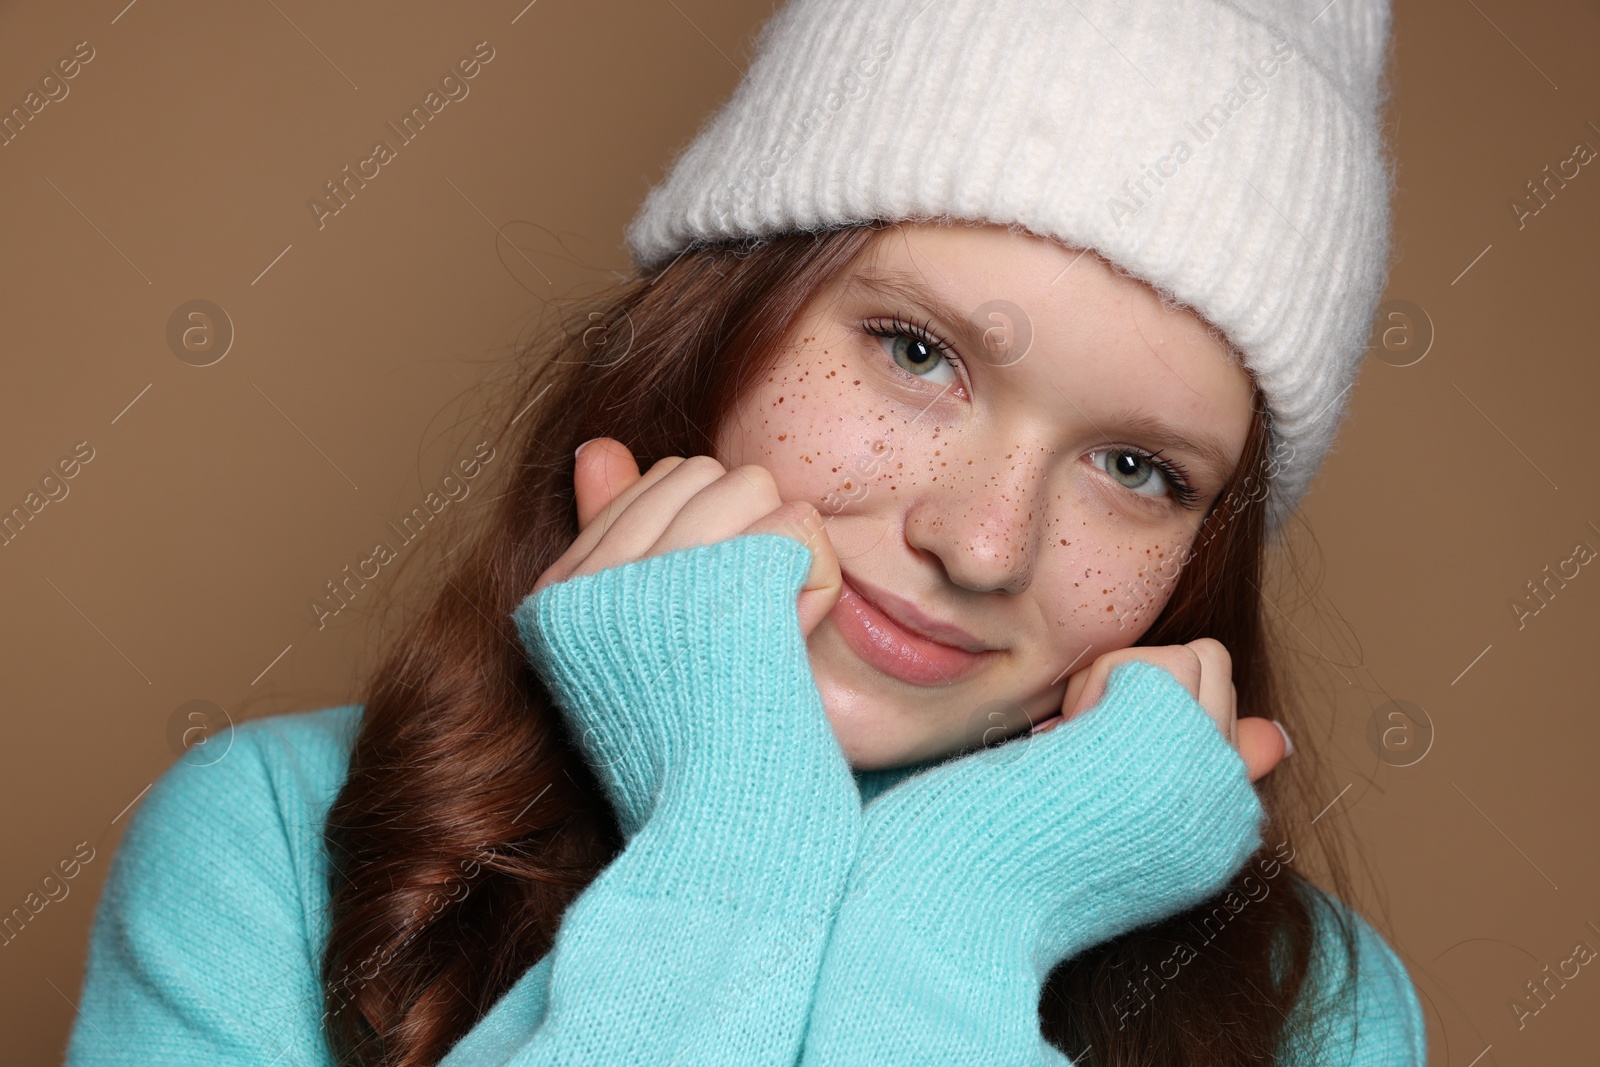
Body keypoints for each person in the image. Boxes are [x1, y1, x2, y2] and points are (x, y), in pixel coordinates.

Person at [64, 0, 1428, 1064]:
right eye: (915, 352)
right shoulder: (270, 848)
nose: (986, 542)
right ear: (711, 339)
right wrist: (733, 839)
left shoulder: (1314, 1010)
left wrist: (953, 916)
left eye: (1137, 466)